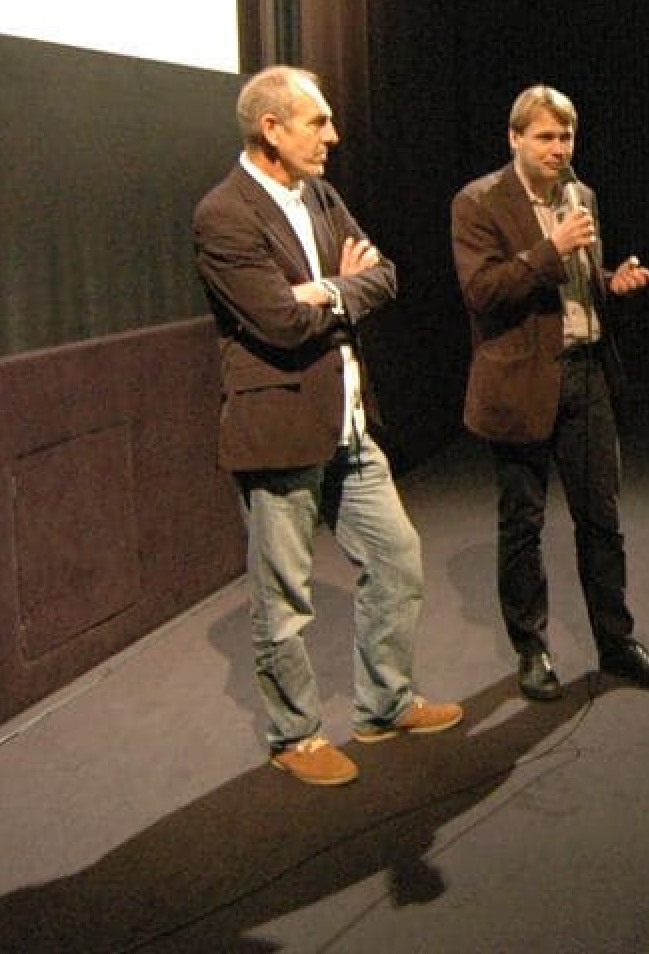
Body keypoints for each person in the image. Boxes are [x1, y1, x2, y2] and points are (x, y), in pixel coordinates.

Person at [193, 65, 462, 787]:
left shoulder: (322, 195)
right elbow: (279, 324)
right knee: (284, 598)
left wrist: (327, 289)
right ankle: (295, 735)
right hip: (277, 427)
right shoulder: (223, 213)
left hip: (347, 424)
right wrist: (336, 292)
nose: (334, 136)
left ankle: (383, 704)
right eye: (319, 122)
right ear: (271, 128)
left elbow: (386, 275)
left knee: (398, 559)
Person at [450, 84, 649, 701]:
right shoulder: (477, 202)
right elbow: (484, 293)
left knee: (602, 520)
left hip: (588, 376)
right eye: (546, 136)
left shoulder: (582, 196)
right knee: (522, 524)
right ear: (515, 138)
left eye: (567, 136)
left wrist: (611, 280)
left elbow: (577, 282)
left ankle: (616, 643)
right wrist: (549, 250)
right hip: (521, 383)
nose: (559, 148)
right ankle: (532, 649)